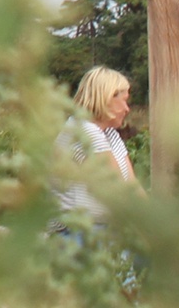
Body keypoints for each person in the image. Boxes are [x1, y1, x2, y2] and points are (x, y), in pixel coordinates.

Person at [52, 65, 139, 232]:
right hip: (76, 232)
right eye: (123, 101)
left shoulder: (110, 134)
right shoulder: (83, 130)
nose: (127, 109)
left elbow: (132, 186)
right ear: (106, 98)